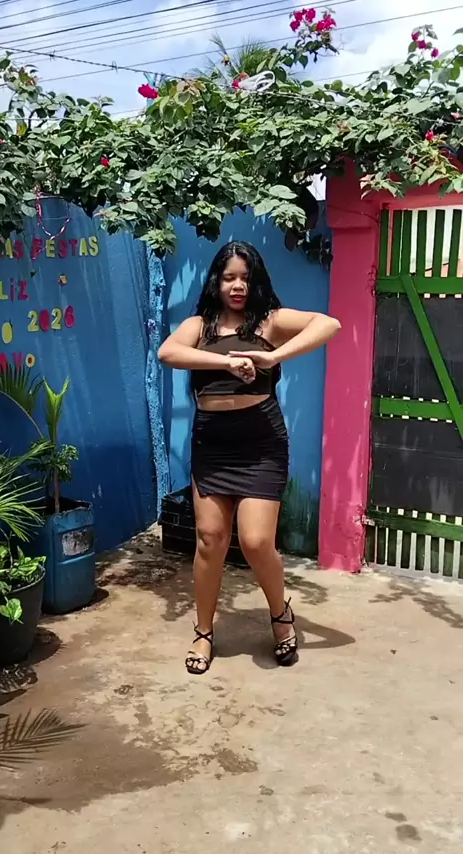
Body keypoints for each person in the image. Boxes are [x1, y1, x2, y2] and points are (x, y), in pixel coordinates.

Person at [158, 240, 340, 674]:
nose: (237, 286)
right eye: (229, 278)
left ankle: (280, 613)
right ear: (216, 282)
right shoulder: (199, 326)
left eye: (244, 277)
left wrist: (271, 356)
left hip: (260, 442)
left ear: (254, 281)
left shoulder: (269, 321)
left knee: (257, 542)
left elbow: (328, 324)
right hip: (213, 443)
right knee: (209, 539)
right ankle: (204, 631)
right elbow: (168, 353)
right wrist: (225, 364)